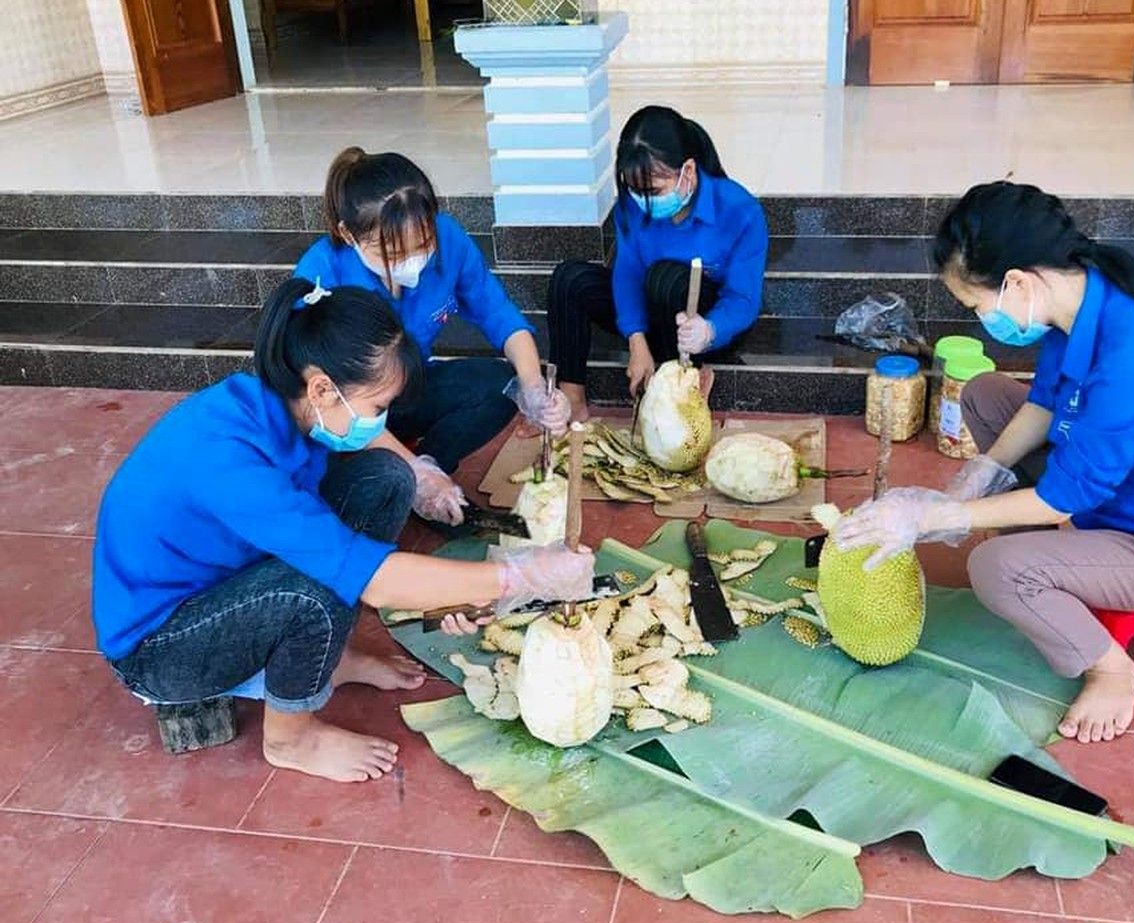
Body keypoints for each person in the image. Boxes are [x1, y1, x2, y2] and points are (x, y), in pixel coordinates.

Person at [92, 278, 593, 783]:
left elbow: (365, 505)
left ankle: (330, 659)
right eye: (377, 408)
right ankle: (291, 738)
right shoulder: (226, 458)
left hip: (226, 579)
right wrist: (515, 578)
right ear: (323, 388)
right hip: (160, 648)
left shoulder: (281, 408)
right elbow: (370, 576)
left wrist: (428, 495)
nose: (381, 422)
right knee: (313, 588)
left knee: (387, 478)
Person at [832, 181, 1134, 745]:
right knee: (986, 392)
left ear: (1016, 283)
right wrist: (980, 474)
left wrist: (929, 518)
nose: (982, 317)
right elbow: (1043, 403)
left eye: (976, 305)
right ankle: (1051, 546)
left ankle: (1112, 669)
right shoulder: (1081, 306)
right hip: (1115, 495)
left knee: (998, 569)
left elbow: (1063, 497)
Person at [296, 146, 570, 525]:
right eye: (392, 251)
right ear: (349, 235)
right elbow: (327, 404)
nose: (412, 260)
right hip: (347, 418)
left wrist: (535, 387)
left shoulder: (449, 240)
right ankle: (409, 478)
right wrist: (413, 470)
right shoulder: (321, 279)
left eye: (423, 244)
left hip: (405, 391)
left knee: (499, 387)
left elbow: (498, 312)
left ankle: (433, 477)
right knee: (363, 492)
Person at [546, 105, 769, 422]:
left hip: (703, 326)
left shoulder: (739, 210)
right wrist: (636, 342)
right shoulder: (632, 206)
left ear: (687, 171)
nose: (643, 202)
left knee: (667, 278)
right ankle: (571, 401)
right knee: (570, 278)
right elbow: (627, 275)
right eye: (635, 190)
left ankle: (685, 383)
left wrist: (710, 330)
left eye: (652, 191)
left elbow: (743, 298)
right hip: (651, 312)